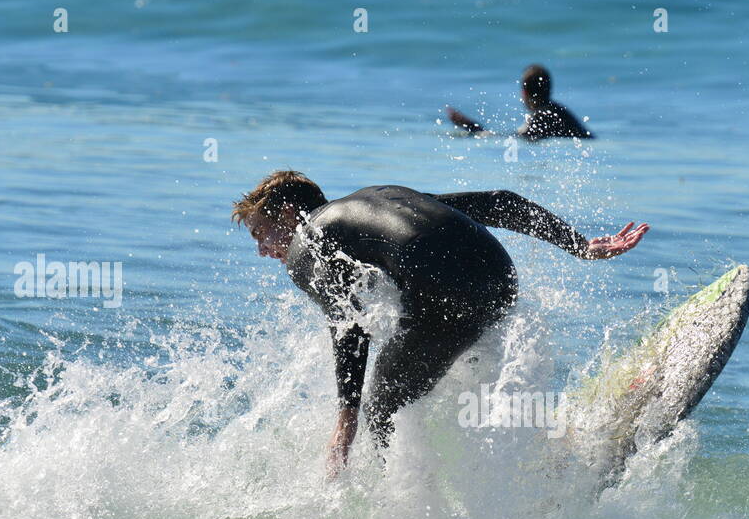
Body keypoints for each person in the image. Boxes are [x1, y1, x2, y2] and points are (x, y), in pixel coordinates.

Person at [232, 171, 648, 477]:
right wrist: (580, 245)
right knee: (459, 369)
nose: (263, 250)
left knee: (380, 407)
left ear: (288, 213)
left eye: (261, 233)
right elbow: (501, 202)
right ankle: (549, 451)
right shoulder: (383, 196)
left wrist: (345, 420)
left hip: (447, 295)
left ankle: (407, 515)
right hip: (497, 275)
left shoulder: (308, 243)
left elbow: (348, 327)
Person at [447, 64, 593, 141]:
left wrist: (474, 129)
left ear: (524, 92)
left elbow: (516, 138)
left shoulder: (541, 116)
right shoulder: (560, 111)